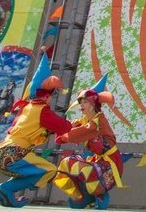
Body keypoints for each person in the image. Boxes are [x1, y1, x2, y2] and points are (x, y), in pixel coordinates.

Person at [0, 53, 73, 208]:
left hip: (1, 153)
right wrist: (78, 126)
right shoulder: (42, 110)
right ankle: (6, 188)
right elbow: (64, 127)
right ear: (47, 96)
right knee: (49, 170)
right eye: (51, 96)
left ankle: (5, 193)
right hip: (15, 153)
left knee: (35, 171)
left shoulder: (26, 107)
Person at [53, 75, 123, 209]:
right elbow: (77, 128)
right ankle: (84, 195)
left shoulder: (97, 121)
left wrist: (64, 136)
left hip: (110, 163)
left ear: (93, 104)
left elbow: (83, 132)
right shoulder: (87, 120)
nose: (81, 105)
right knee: (67, 164)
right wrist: (64, 128)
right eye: (81, 102)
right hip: (97, 159)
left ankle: (100, 194)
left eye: (85, 102)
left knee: (85, 169)